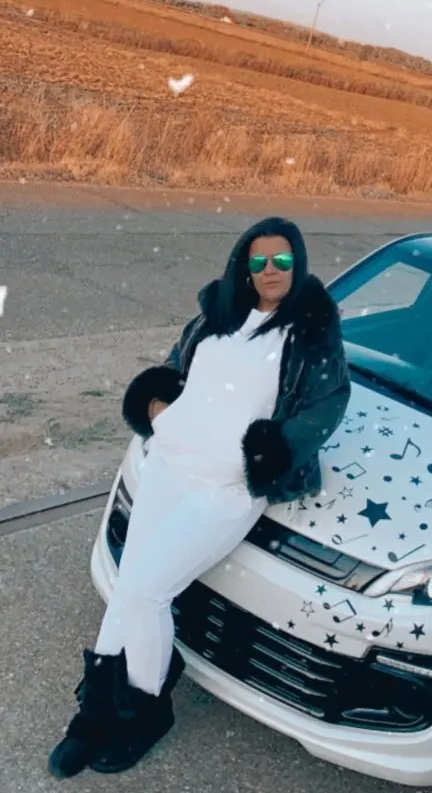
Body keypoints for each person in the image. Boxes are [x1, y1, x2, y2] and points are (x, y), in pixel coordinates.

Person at [48, 216, 351, 779]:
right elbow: (177, 364)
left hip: (226, 487)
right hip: (170, 464)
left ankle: (145, 710)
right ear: (244, 266)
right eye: (259, 261)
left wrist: (268, 452)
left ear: (298, 264)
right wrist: (158, 409)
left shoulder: (310, 329)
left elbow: (328, 404)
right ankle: (95, 711)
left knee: (146, 590)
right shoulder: (219, 312)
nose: (270, 270)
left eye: (282, 260)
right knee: (133, 582)